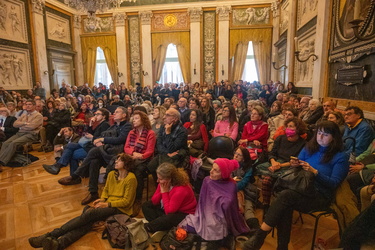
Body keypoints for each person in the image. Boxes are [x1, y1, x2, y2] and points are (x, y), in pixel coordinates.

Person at [244, 121, 349, 250]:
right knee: (285, 201)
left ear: (334, 138)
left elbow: (333, 184)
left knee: (285, 197)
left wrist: (315, 172)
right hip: (300, 188)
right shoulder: (309, 148)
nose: (320, 137)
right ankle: (280, 246)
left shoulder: (340, 157)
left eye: (325, 135)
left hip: (320, 196)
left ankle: (260, 237)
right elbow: (298, 163)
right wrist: (295, 164)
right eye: (319, 133)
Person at [28, 153, 137, 250]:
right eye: (116, 159)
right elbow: (106, 190)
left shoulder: (131, 179)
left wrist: (106, 204)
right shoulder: (112, 174)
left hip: (120, 209)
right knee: (87, 222)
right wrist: (102, 198)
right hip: (109, 204)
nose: (116, 161)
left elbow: (126, 202)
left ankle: (52, 234)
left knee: (89, 214)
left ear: (126, 164)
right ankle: (59, 244)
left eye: (119, 160)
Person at [58, 107, 132, 205]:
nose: (114, 113)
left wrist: (102, 140)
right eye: (114, 111)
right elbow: (96, 136)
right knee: (94, 161)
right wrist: (97, 138)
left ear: (124, 115)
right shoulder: (114, 126)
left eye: (117, 112)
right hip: (107, 150)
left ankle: (75, 175)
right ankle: (93, 192)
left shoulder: (127, 126)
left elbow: (120, 139)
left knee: (91, 151)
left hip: (116, 153)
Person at [179, 158, 249, 242]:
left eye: (216, 170)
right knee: (193, 226)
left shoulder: (231, 185)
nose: (211, 171)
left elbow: (230, 208)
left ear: (223, 174)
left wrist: (224, 205)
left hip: (222, 217)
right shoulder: (207, 181)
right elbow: (203, 203)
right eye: (212, 168)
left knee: (215, 231)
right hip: (206, 214)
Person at [256, 118, 307, 212]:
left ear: (298, 129)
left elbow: (297, 160)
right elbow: (272, 153)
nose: (288, 128)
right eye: (287, 126)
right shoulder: (280, 138)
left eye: (291, 126)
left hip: (290, 167)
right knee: (265, 179)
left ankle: (279, 208)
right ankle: (266, 205)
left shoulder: (303, 144)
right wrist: (274, 162)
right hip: (275, 164)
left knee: (276, 182)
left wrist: (280, 165)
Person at [43, 108, 111, 176]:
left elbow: (102, 139)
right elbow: (90, 133)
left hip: (92, 147)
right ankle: (58, 166)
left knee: (71, 154)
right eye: (95, 114)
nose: (95, 116)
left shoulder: (105, 125)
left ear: (104, 116)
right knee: (70, 145)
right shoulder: (100, 124)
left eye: (98, 114)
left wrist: (92, 137)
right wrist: (90, 124)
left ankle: (70, 174)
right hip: (88, 144)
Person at [142, 163, 197, 235]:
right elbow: (154, 201)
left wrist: (164, 192)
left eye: (160, 179)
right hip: (169, 208)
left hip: (183, 214)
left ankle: (149, 227)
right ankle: (161, 227)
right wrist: (162, 191)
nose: (157, 181)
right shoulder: (164, 184)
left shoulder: (181, 189)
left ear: (169, 179)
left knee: (168, 218)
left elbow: (169, 211)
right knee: (146, 205)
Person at [124, 110, 156, 214]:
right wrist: (133, 153)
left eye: (137, 118)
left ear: (143, 120)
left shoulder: (150, 133)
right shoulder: (131, 132)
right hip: (132, 156)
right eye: (133, 118)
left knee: (138, 172)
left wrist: (140, 156)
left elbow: (150, 151)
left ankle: (137, 199)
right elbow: (126, 147)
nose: (134, 120)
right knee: (118, 166)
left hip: (144, 159)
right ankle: (124, 195)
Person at [0, 100, 43, 167]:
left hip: (31, 134)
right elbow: (15, 124)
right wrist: (24, 123)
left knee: (14, 143)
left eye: (30, 104)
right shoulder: (24, 115)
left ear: (34, 106)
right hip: (20, 133)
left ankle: (2, 162)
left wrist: (21, 126)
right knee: (5, 143)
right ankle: (2, 160)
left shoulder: (38, 116)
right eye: (26, 104)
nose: (27, 106)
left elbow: (31, 127)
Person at [232, 146, 259, 230]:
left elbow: (244, 182)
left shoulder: (248, 168)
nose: (235, 156)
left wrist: (233, 188)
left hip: (245, 189)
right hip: (233, 188)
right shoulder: (231, 163)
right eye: (235, 153)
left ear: (244, 158)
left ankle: (255, 229)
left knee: (248, 207)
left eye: (239, 155)